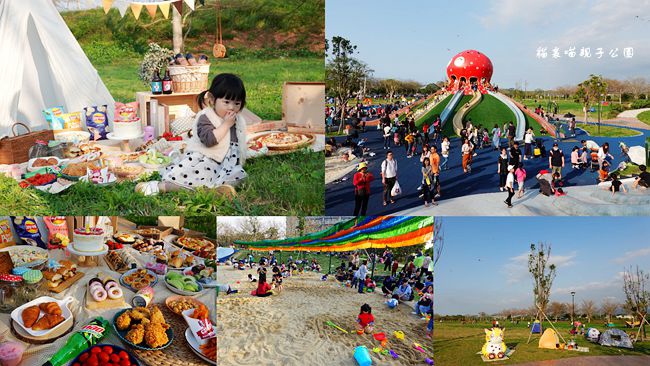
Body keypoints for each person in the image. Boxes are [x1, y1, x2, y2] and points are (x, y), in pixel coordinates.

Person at [137, 73, 247, 196]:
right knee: (197, 175)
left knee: (238, 174)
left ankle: (220, 189)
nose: (231, 108)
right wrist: (226, 125)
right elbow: (209, 140)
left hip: (226, 163)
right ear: (211, 99)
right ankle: (161, 186)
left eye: (237, 103)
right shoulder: (206, 117)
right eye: (226, 102)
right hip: (204, 158)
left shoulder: (237, 120)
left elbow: (238, 142)